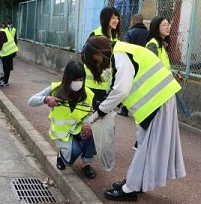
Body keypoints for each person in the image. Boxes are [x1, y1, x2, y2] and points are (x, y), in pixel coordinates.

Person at [82, 36, 186, 201]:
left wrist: (97, 115)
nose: (98, 65)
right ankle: (137, 183)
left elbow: (121, 90)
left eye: (95, 61)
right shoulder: (121, 52)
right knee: (146, 145)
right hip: (158, 100)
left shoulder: (120, 54)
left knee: (146, 148)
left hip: (159, 101)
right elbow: (121, 89)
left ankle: (130, 189)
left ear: (99, 52)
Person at [28, 61, 97, 179]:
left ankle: (87, 164)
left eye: (81, 79)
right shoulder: (55, 89)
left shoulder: (88, 94)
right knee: (75, 151)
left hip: (77, 127)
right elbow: (31, 101)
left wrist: (87, 123)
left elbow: (88, 113)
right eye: (75, 79)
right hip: (61, 132)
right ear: (67, 78)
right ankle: (62, 156)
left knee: (90, 135)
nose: (78, 83)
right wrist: (46, 99)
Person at [83, 7, 120, 110]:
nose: (116, 20)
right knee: (89, 114)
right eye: (113, 18)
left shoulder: (114, 36)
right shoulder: (95, 34)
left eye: (117, 18)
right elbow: (84, 56)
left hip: (106, 84)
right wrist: (98, 68)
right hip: (92, 83)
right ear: (105, 18)